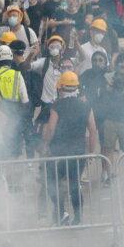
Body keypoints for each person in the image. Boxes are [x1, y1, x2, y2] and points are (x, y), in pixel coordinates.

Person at [41, 71, 98, 226]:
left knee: (53, 182)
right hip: (78, 152)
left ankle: (61, 213)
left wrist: (45, 144)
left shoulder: (57, 105)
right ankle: (78, 217)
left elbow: (51, 128)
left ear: (60, 88)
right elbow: (92, 130)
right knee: (75, 184)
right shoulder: (86, 105)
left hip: (58, 153)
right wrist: (91, 152)